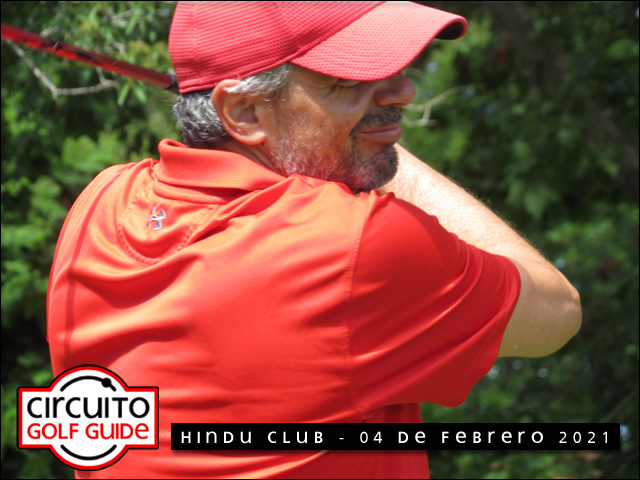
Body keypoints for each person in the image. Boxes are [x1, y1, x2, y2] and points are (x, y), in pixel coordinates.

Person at [47, 1, 581, 478]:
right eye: (347, 79)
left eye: (392, 66)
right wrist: (380, 145)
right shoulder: (353, 244)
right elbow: (556, 309)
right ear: (244, 113)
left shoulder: (101, 203)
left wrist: (353, 128)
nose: (403, 92)